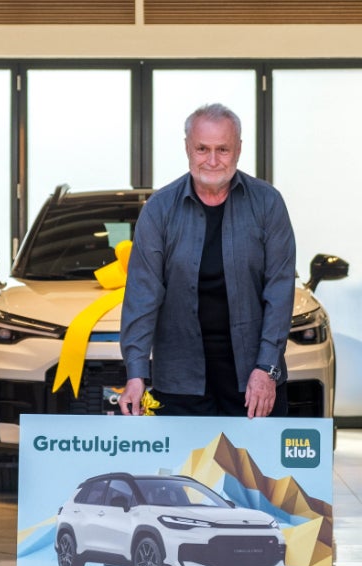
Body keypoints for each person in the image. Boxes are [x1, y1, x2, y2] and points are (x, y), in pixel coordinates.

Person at [119, 103, 296, 419]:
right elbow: (142, 296)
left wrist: (267, 368)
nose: (212, 160)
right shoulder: (159, 209)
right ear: (187, 147)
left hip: (253, 379)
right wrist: (136, 374)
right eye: (202, 148)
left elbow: (280, 292)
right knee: (183, 456)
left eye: (222, 149)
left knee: (253, 456)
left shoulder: (268, 203)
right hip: (179, 381)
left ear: (238, 149)